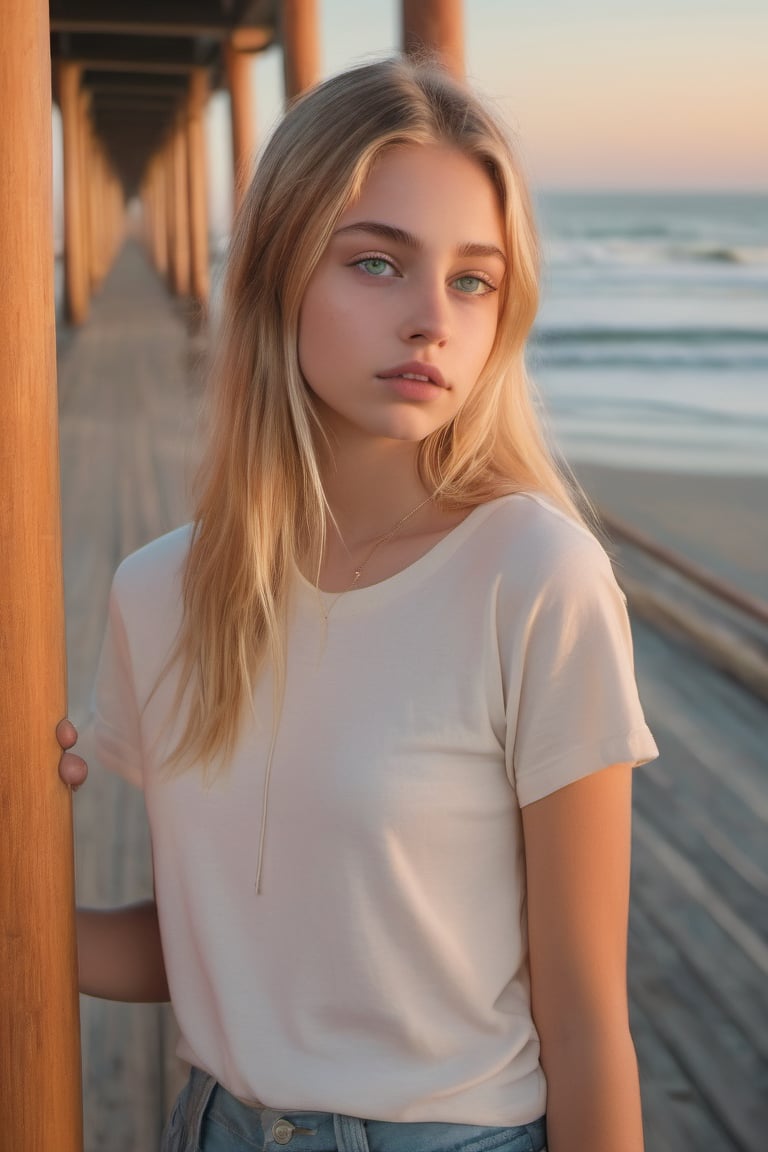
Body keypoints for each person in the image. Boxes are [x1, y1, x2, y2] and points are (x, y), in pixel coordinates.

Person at [58, 57, 658, 1152]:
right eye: (378, 263)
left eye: (472, 279)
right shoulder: (157, 593)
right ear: (281, 271)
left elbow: (584, 1018)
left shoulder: (534, 578)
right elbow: (205, 943)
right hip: (214, 1128)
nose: (432, 318)